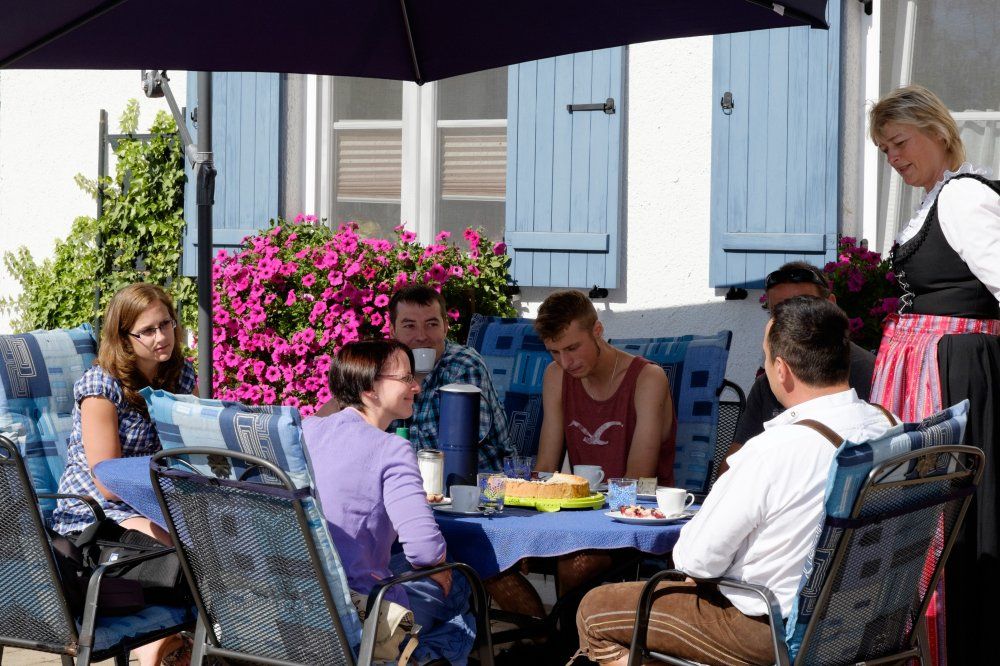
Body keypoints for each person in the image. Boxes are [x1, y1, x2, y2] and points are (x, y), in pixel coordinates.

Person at [574, 297, 897, 665]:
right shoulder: (889, 427)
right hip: (864, 622)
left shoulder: (774, 449)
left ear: (781, 370)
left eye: (764, 357)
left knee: (595, 609)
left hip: (773, 633)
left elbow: (694, 560)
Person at [868, 84, 1000, 665]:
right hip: (935, 375)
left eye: (899, 143)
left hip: (959, 377)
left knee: (952, 522)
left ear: (937, 131)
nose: (894, 159)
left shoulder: (964, 199)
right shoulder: (934, 200)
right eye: (885, 150)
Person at [303, 340, 476, 664]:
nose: (416, 387)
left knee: (450, 610)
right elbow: (424, 550)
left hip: (306, 595)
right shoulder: (391, 450)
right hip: (361, 606)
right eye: (405, 378)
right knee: (462, 593)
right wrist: (438, 563)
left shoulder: (308, 430)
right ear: (370, 388)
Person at [50, 282, 196, 666]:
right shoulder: (102, 388)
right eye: (147, 330)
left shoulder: (179, 377)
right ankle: (159, 647)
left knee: (217, 543)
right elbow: (108, 480)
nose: (162, 336)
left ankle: (179, 644)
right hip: (97, 512)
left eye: (166, 324)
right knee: (182, 553)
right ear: (124, 338)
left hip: (155, 500)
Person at [721, 261, 876, 474]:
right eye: (780, 311)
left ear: (831, 305)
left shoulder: (873, 373)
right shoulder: (767, 384)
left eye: (804, 306)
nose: (792, 320)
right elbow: (730, 470)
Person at [534, 289, 675, 484]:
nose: (565, 362)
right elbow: (546, 469)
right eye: (555, 352)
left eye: (572, 348)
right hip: (581, 507)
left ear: (597, 331)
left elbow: (638, 478)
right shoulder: (556, 375)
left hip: (638, 510)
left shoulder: (648, 379)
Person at [386, 285, 514, 472]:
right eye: (409, 326)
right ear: (393, 331)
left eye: (432, 324)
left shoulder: (463, 365)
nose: (421, 336)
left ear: (445, 327)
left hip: (479, 486)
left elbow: (459, 445)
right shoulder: (383, 370)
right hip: (413, 488)